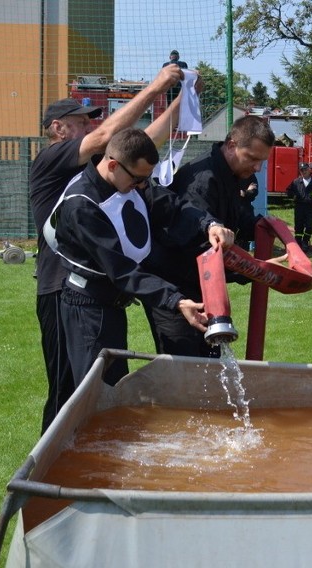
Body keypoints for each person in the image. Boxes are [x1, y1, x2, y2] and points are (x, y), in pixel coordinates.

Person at [29, 64, 185, 433]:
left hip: (98, 287)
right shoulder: (50, 160)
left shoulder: (102, 166)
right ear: (58, 129)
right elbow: (105, 139)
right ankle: (47, 471)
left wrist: (181, 101)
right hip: (60, 287)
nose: (90, 127)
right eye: (81, 122)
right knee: (69, 389)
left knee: (103, 386)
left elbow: (139, 143)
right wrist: (156, 86)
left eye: (90, 121)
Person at [53, 128, 234, 386]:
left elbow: (175, 205)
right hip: (88, 307)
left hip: (112, 304)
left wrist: (210, 224)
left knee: (113, 385)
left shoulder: (132, 183)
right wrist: (176, 300)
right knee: (99, 390)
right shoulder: (82, 205)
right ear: (114, 165)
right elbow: (121, 270)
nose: (141, 186)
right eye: (137, 179)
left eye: (145, 180)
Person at [144, 115, 276, 358]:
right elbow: (202, 247)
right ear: (232, 145)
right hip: (176, 288)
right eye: (253, 158)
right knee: (183, 367)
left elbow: (237, 219)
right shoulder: (202, 181)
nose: (257, 168)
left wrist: (264, 225)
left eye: (262, 161)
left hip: (200, 284)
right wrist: (255, 269)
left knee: (209, 363)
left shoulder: (232, 175)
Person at [286, 163, 312, 251]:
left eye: (305, 169)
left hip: (310, 207)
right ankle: (298, 243)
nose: (303, 172)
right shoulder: (296, 182)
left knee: (309, 226)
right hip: (299, 207)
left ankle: (305, 240)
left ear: (309, 170)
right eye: (302, 170)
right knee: (298, 226)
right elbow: (288, 191)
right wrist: (293, 196)